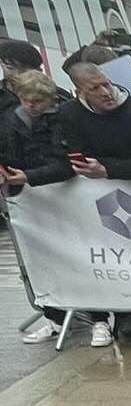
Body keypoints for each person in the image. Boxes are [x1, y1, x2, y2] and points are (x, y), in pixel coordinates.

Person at [57, 61, 131, 349]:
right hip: (90, 196)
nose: (106, 92)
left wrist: (107, 170)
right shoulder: (68, 115)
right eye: (95, 88)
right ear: (80, 91)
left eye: (106, 83)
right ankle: (111, 314)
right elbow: (68, 153)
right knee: (105, 255)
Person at [1, 69, 72, 344]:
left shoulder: (60, 120)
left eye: (38, 101)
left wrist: (29, 176)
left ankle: (92, 315)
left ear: (49, 100)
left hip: (53, 192)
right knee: (39, 260)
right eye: (26, 100)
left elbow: (63, 161)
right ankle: (53, 316)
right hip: (26, 195)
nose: (31, 106)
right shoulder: (12, 121)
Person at [0, 38, 43, 123]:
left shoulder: (56, 95)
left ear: (38, 70)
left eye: (23, 70)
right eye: (10, 68)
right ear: (2, 64)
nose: (16, 74)